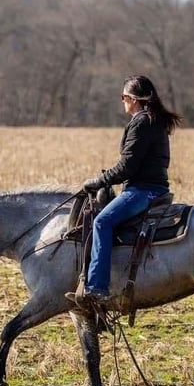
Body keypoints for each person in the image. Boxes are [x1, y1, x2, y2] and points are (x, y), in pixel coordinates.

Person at [75, 74, 183, 304]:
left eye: (123, 96)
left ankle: (96, 287)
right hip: (152, 187)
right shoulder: (152, 120)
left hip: (144, 190)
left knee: (102, 222)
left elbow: (127, 167)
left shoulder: (142, 122)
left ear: (134, 99)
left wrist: (98, 181)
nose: (122, 100)